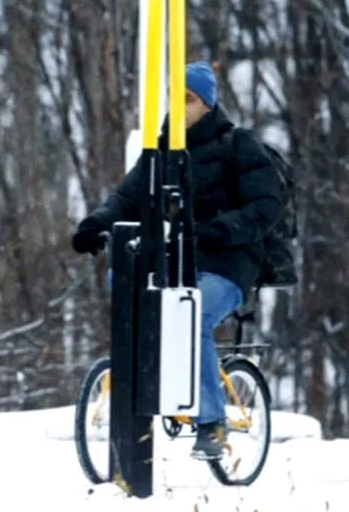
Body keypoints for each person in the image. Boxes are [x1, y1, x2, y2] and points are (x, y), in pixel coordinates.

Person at [70, 61, 283, 460]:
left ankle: (211, 423)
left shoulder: (238, 145)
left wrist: (224, 229)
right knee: (128, 287)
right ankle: (148, 386)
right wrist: (95, 225)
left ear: (207, 103)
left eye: (189, 98)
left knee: (191, 313)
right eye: (174, 97)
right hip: (175, 259)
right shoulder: (161, 149)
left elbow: (266, 204)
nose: (179, 105)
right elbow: (126, 197)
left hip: (228, 263)